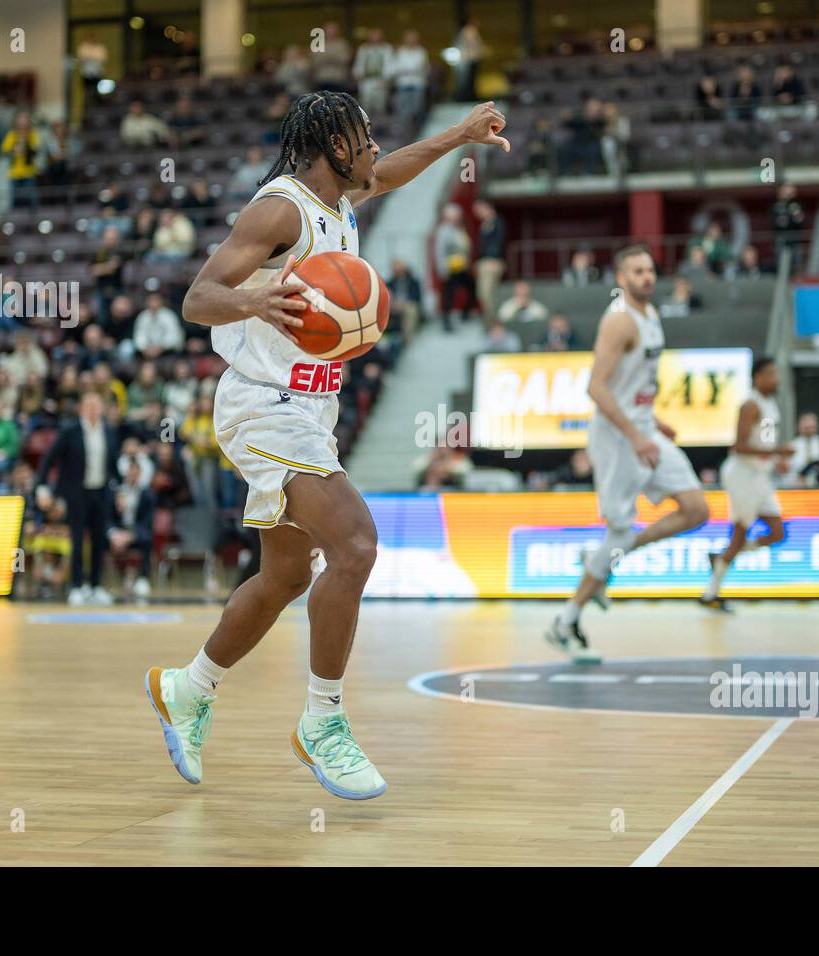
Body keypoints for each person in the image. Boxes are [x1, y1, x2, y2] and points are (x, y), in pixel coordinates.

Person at [147, 92, 510, 800]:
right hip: (262, 407)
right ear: (331, 148)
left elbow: (397, 170)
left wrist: (460, 135)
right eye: (363, 137)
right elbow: (197, 297)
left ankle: (188, 688)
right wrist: (253, 300)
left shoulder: (343, 199)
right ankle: (324, 722)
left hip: (313, 409)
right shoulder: (278, 209)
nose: (374, 146)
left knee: (283, 577)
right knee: (355, 545)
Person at [545, 245, 710, 662]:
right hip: (619, 439)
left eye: (650, 270)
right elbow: (596, 389)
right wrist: (636, 435)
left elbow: (637, 383)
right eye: (637, 271)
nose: (647, 277)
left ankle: (605, 560)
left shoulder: (653, 315)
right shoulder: (619, 321)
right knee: (618, 530)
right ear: (621, 278)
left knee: (696, 509)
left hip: (646, 429)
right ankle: (565, 622)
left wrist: (654, 421)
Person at [700, 358, 792, 612]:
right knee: (740, 533)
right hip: (742, 474)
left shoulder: (770, 403)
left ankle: (721, 559)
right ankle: (711, 594)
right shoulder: (750, 405)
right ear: (757, 377)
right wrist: (778, 452)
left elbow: (761, 445)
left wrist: (775, 459)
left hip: (759, 475)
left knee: (777, 532)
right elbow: (738, 446)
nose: (776, 378)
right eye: (771, 373)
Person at [35, 391, 120, 606]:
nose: (93, 408)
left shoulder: (108, 431)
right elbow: (49, 459)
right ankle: (76, 586)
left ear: (102, 408)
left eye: (97, 404)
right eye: (89, 404)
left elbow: (113, 466)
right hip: (76, 494)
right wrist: (42, 487)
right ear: (81, 408)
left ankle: (95, 586)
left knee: (99, 541)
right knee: (77, 540)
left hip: (100, 493)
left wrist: (120, 490)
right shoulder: (69, 431)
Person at [110, 459, 157, 599]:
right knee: (98, 539)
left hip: (136, 532)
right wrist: (114, 533)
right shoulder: (115, 492)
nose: (133, 475)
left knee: (147, 539)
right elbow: (107, 518)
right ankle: (94, 582)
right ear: (126, 472)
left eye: (136, 472)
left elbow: (147, 521)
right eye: (131, 471)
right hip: (117, 532)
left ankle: (143, 579)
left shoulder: (147, 494)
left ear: (140, 474)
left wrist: (130, 535)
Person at [433, 203, 474, 328]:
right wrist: (442, 270)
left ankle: (465, 314)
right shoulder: (444, 230)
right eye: (454, 215)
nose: (457, 217)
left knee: (472, 288)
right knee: (449, 295)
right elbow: (439, 251)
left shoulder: (459, 229)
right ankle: (446, 322)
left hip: (461, 267)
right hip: (450, 269)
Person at [472, 199, 506, 322]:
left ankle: (493, 320)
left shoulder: (498, 222)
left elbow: (498, 242)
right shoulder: (484, 224)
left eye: (479, 209)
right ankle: (490, 319)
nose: (477, 213)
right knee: (482, 293)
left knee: (487, 293)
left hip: (493, 262)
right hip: (484, 261)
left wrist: (492, 258)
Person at [1, 113, 40, 209]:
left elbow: (35, 150)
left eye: (24, 121)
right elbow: (4, 150)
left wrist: (26, 144)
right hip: (15, 173)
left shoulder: (33, 134)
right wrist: (14, 150)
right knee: (14, 200)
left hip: (29, 172)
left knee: (32, 199)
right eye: (20, 121)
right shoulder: (12, 135)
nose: (22, 124)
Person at [353, 29, 392, 113]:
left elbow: (390, 65)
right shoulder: (363, 49)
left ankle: (379, 124)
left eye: (377, 36)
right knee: (365, 105)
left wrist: (386, 79)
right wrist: (358, 76)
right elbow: (358, 64)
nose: (375, 38)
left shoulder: (387, 48)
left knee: (380, 105)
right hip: (366, 81)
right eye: (373, 36)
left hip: (381, 80)